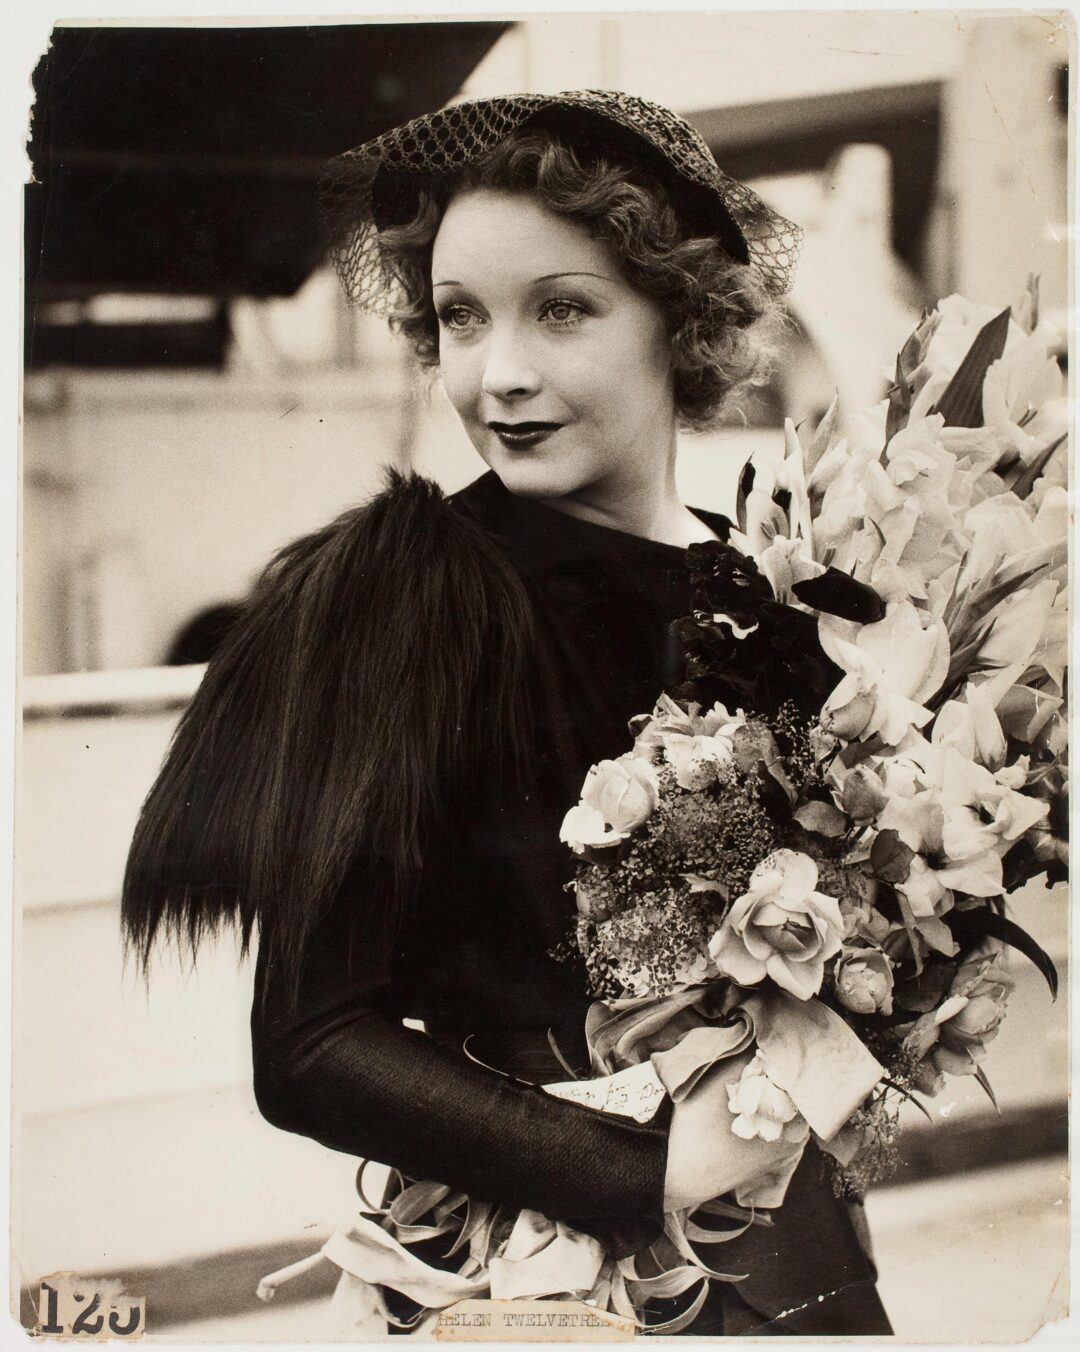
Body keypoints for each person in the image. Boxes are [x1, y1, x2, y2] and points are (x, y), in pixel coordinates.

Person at [121, 91, 891, 1336]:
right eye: (462, 318)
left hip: (792, 1245)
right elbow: (310, 1042)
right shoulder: (403, 596)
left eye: (564, 308)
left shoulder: (768, 595)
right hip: (545, 1273)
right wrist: (645, 1180)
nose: (500, 372)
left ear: (677, 318)